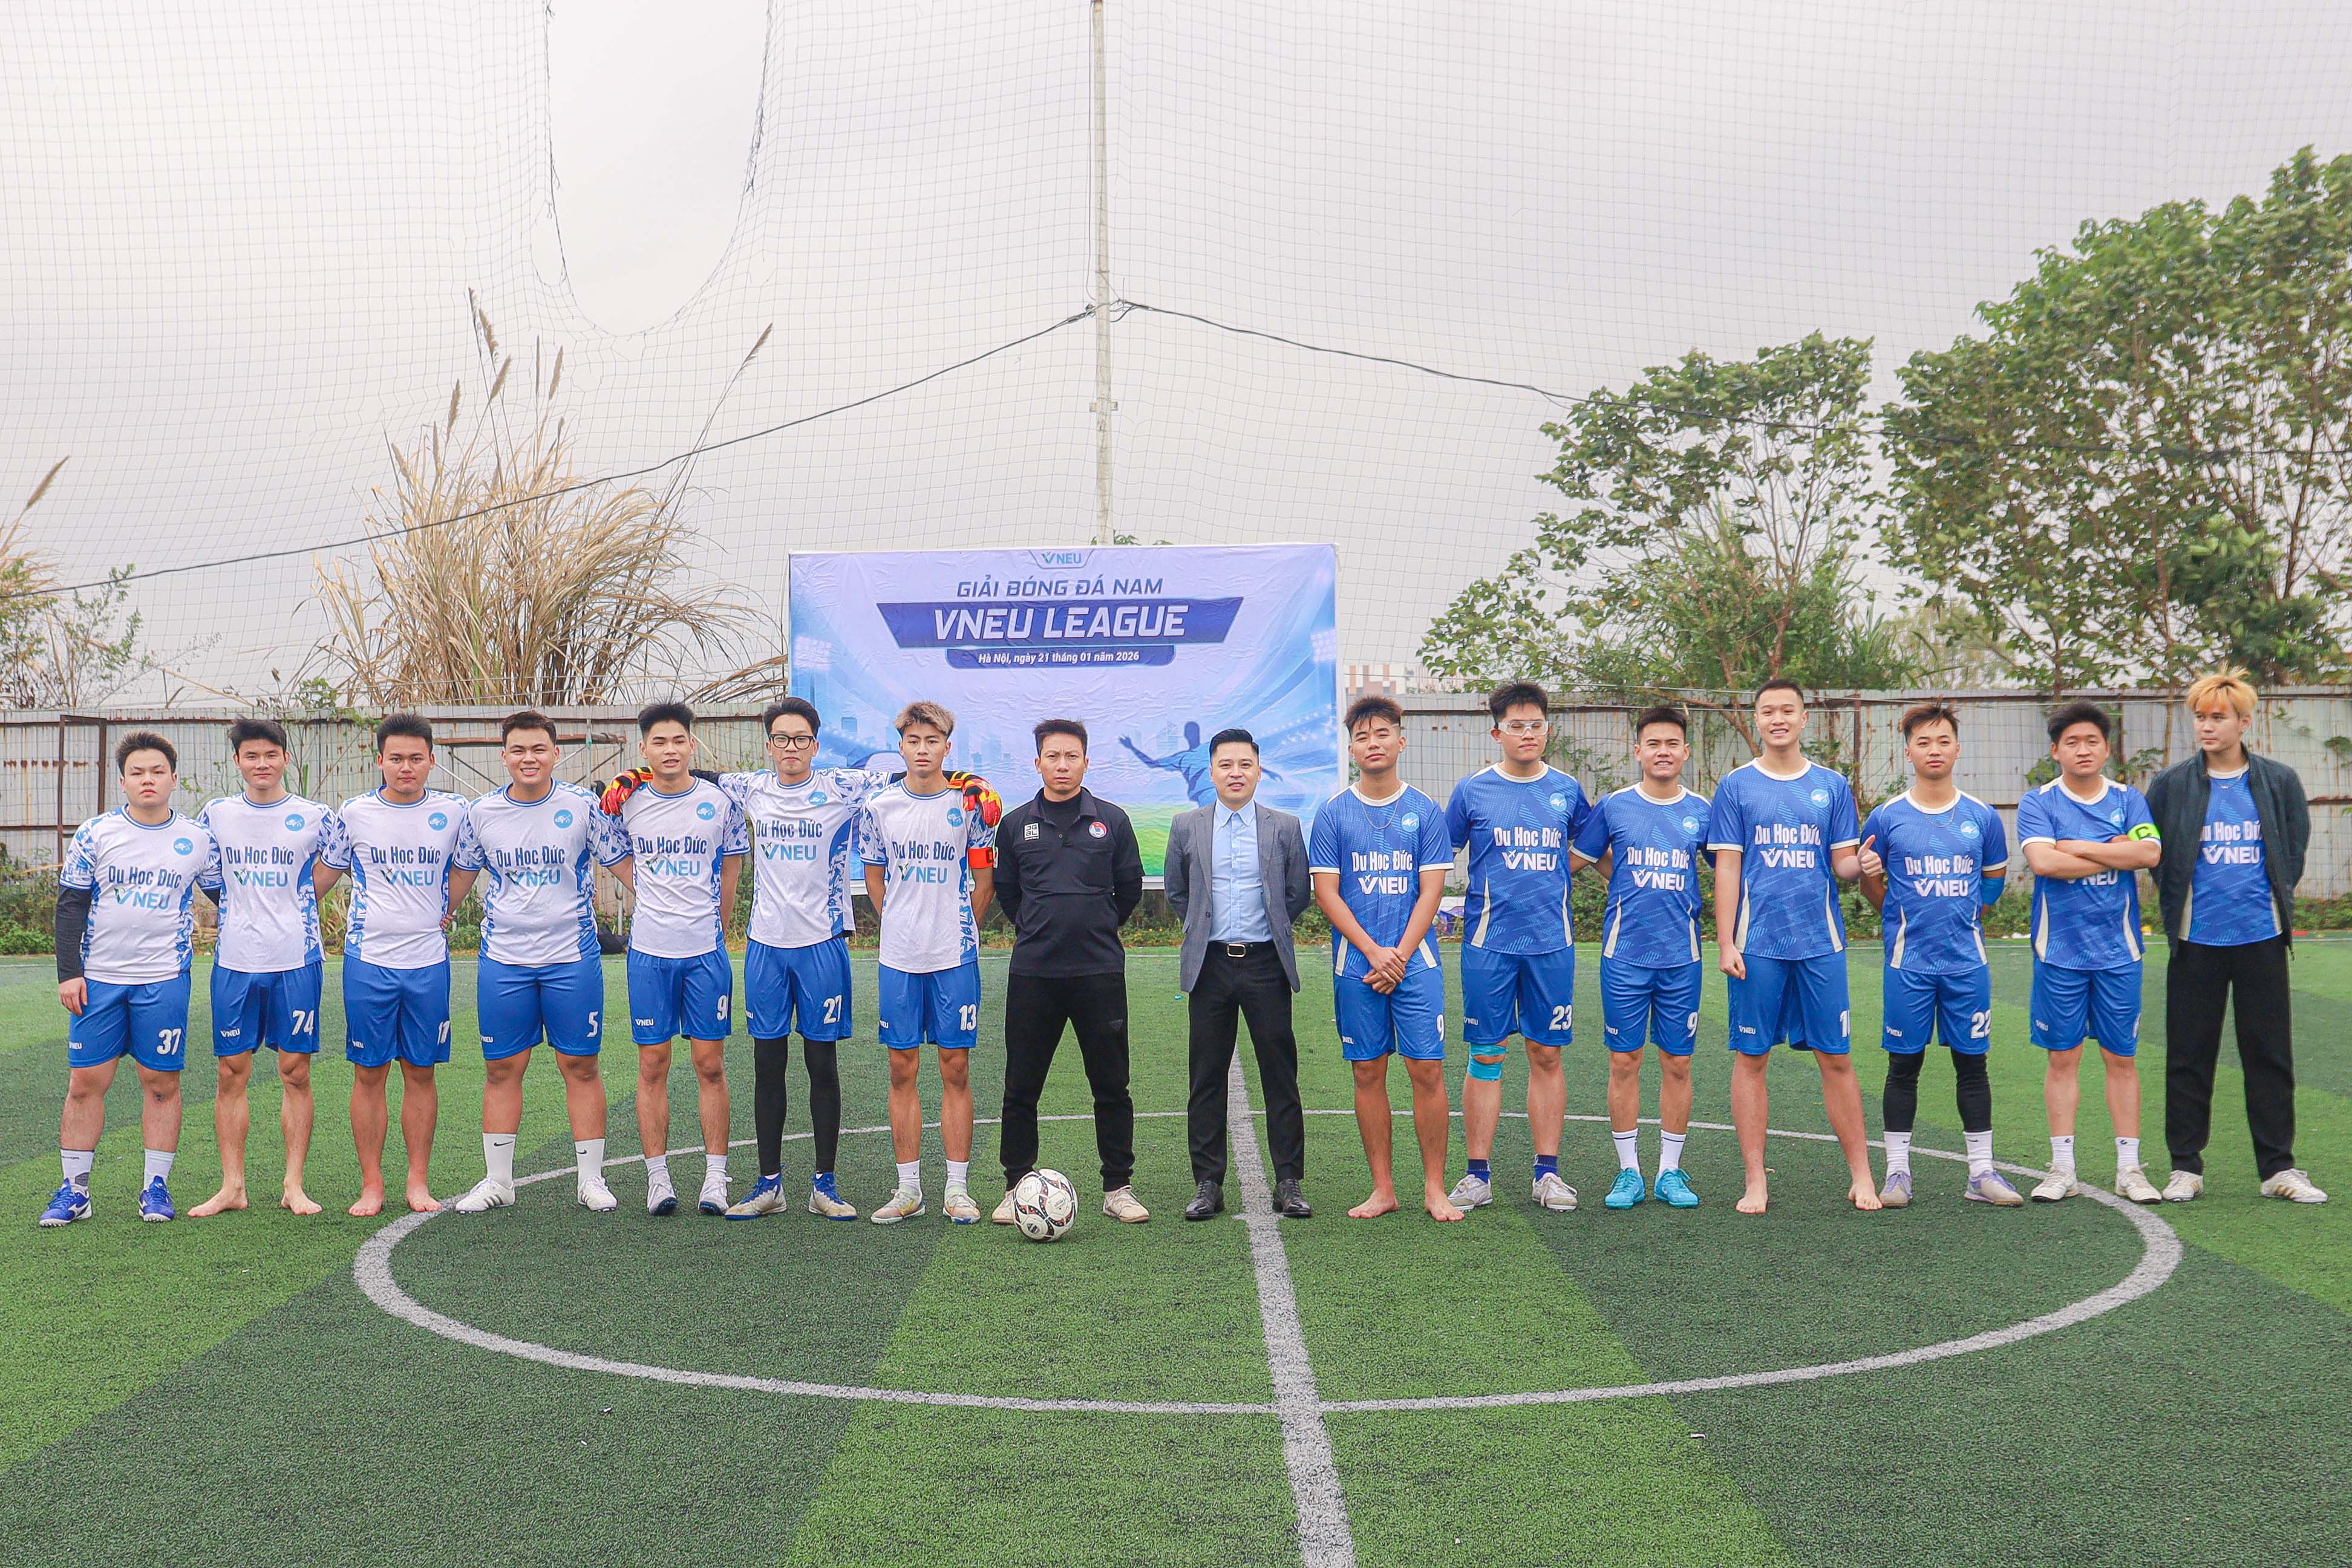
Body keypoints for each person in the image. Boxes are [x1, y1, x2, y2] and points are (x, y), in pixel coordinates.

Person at [714, 697, 899, 1221]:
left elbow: (913, 774)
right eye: (781, 738)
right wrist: (634, 777)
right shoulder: (751, 789)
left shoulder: (842, 788)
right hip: (766, 946)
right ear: (769, 745)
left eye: (800, 739)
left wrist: (968, 782)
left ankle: (825, 1185)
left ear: (815, 745)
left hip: (822, 944)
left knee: (822, 1065)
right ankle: (769, 1185)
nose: (791, 747)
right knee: (767, 1065)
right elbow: (692, 776)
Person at [2145, 670, 2326, 1204]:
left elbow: (2293, 849)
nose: (2207, 726)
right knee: (2188, 1057)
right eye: (2200, 717)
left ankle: (2278, 1169)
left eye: (2218, 717)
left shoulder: (2279, 781)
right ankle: (2185, 1168)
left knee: (2269, 1056)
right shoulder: (2172, 784)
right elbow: (2157, 855)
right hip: (2196, 940)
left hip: (2261, 938)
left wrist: (2270, 901)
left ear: (2244, 723)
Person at [448, 711, 632, 1215]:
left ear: (555, 754)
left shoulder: (582, 806)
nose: (528, 759)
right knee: (502, 1068)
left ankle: (591, 1180)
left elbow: (623, 864)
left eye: (538, 749)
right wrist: (437, 916)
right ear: (504, 756)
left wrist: (664, 908)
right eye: (518, 750)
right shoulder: (481, 813)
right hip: (504, 959)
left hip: (570, 956)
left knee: (580, 1065)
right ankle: (498, 1181)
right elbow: (462, 874)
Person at [1708, 679, 1881, 1214]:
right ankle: (1755, 1180)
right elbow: (1728, 867)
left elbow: (1843, 862)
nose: (1778, 719)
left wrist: (1864, 865)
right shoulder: (1736, 786)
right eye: (1768, 711)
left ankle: (1862, 1176)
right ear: (1757, 720)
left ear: (1805, 719)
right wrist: (1726, 940)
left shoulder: (1831, 785)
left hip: (1820, 942)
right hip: (1757, 944)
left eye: (1788, 710)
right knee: (1752, 1057)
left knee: (1837, 1058)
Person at [40, 733, 219, 1226]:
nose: (148, 780)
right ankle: (75, 1191)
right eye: (137, 773)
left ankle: (155, 1188)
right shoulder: (96, 833)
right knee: (85, 1083)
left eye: (157, 771)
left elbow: (227, 896)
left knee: (160, 1082)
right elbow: (70, 906)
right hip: (99, 979)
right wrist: (69, 974)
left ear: (173, 778)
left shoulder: (198, 838)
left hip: (164, 977)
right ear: (122, 781)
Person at [1856, 702, 2022, 1207]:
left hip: (1966, 964)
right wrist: (1896, 911)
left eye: (1943, 741)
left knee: (1973, 1065)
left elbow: (1992, 882)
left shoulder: (1982, 817)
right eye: (1924, 742)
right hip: (1908, 964)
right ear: (1908, 752)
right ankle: (1897, 1174)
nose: (1934, 750)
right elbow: (1871, 883)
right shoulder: (1887, 817)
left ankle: (1981, 1174)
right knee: (1903, 1065)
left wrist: (1968, 914)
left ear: (1957, 749)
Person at [990, 719, 1148, 1225]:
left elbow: (1129, 890)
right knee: (1021, 1086)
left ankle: (1118, 1187)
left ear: (1086, 762)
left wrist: (1094, 925)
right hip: (1034, 973)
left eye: (1072, 756)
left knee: (1112, 1085)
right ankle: (1016, 1186)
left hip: (1098, 972)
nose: (1062, 765)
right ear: (1037, 762)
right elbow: (1008, 891)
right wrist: (1039, 927)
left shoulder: (1112, 821)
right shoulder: (1015, 824)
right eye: (1053, 756)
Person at [1311, 696, 1462, 1221]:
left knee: (1427, 1070)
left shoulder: (1425, 810)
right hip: (1357, 963)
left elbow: (1431, 891)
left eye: (1382, 734)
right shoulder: (1333, 813)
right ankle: (1383, 1189)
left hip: (1415, 962)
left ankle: (1435, 1189)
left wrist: (1398, 954)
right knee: (1367, 1071)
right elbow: (1327, 893)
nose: (1372, 744)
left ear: (1401, 740)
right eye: (1362, 737)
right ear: (1352, 749)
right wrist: (1373, 952)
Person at [1442, 681, 1590, 1213]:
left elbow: (1593, 848)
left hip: (1552, 944)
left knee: (1546, 1053)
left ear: (1547, 731)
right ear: (1497, 733)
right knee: (1486, 1053)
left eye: (1536, 725)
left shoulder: (1568, 790)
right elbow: (1440, 856)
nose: (1527, 734)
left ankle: (1547, 1174)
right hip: (1489, 945)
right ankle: (1477, 1174)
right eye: (1516, 726)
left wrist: (1556, 874)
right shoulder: (1472, 791)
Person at [316, 714, 471, 1217]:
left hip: (428, 961)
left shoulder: (454, 811)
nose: (407, 767)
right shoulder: (355, 812)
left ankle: (418, 1181)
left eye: (416, 758)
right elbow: (324, 875)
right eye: (397, 758)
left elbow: (469, 865)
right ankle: (372, 1184)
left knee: (421, 1071)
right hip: (370, 961)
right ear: (379, 760)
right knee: (369, 1072)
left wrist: (447, 908)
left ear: (431, 760)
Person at [599, 702, 748, 1216]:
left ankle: (715, 1178)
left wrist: (718, 924)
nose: (669, 750)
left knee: (710, 1064)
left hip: (704, 952)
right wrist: (645, 888)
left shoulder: (719, 802)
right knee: (652, 1064)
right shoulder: (627, 803)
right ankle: (658, 1179)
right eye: (658, 742)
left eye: (678, 740)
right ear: (643, 748)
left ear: (691, 744)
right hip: (649, 954)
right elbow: (613, 853)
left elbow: (731, 868)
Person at [2015, 701, 2164, 1205]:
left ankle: (2129, 1170)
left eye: (2092, 741)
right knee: (2063, 1058)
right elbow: (2044, 863)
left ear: (2106, 749)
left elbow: (2149, 853)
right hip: (2059, 951)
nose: (2083, 750)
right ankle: (2063, 1169)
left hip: (2119, 951)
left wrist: (2076, 846)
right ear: (2055, 751)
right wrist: (2113, 852)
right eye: (2072, 742)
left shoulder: (2129, 799)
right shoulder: (2038, 802)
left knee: (2121, 1058)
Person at [859, 701, 1001, 1224]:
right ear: (901, 747)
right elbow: (874, 876)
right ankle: (909, 1189)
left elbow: (984, 881)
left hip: (953, 956)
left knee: (955, 1066)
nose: (923, 750)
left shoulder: (970, 805)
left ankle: (957, 1190)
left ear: (947, 747)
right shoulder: (879, 807)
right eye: (914, 741)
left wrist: (962, 929)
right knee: (902, 1067)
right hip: (899, 956)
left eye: (932, 741)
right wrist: (897, 921)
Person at [187, 719, 335, 1218]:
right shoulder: (217, 814)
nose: (262, 764)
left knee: (295, 1072)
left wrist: (296, 903)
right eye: (252, 756)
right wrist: (240, 910)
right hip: (236, 961)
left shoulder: (315, 816)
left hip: (297, 960)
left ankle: (294, 1184)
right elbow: (206, 872)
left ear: (285, 758)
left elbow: (335, 864)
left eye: (271, 755)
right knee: (231, 1072)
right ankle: (233, 1186)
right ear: (238, 762)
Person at [1166, 728, 1314, 1221]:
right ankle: (1208, 1182)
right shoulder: (1187, 826)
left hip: (1266, 964)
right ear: (1211, 772)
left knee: (1280, 1074)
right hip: (1209, 965)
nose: (1236, 773)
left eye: (1245, 764)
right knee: (1206, 1076)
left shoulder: (1284, 826)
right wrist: (1202, 929)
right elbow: (1178, 893)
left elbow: (1296, 894)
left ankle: (1288, 1180)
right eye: (1226, 765)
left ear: (1258, 770)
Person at [1569, 705, 1710, 1210]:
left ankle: (1670, 1171)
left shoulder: (1703, 810)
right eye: (1653, 744)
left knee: (1678, 1062)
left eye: (1672, 744)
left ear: (1685, 752)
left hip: (1681, 958)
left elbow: (1731, 867)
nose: (1663, 752)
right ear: (1638, 752)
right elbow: (1578, 859)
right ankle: (1628, 1171)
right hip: (1624, 955)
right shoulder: (1614, 806)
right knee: (1624, 1060)